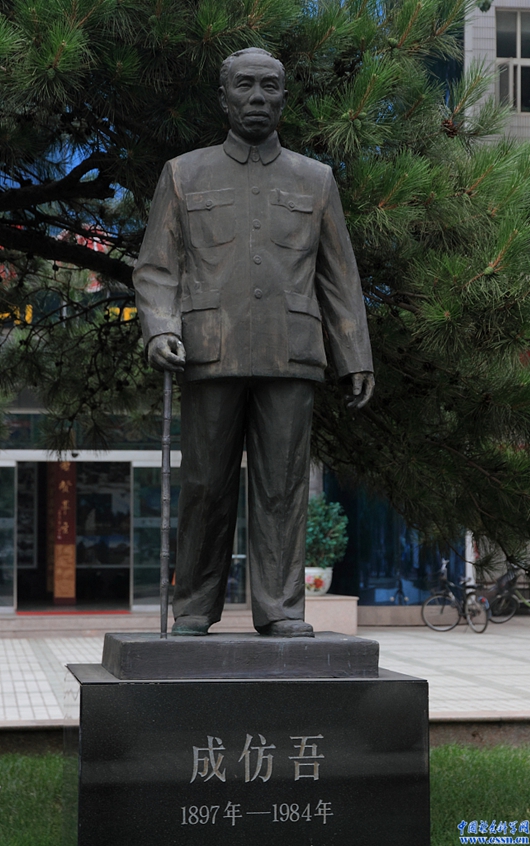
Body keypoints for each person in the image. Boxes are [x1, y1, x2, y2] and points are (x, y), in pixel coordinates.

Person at [133, 47, 374, 638]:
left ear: (284, 99)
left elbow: (339, 278)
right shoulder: (183, 174)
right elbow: (157, 268)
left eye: (270, 87)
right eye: (245, 86)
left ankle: (281, 608)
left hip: (291, 353)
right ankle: (194, 606)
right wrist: (161, 327)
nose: (258, 97)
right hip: (209, 350)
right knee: (205, 485)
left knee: (283, 488)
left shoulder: (315, 179)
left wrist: (355, 355)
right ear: (224, 98)